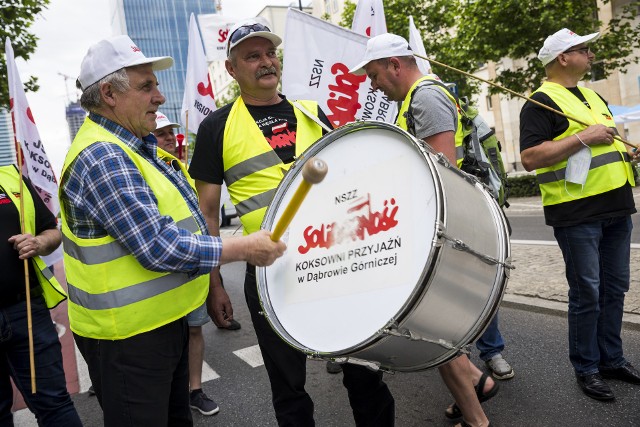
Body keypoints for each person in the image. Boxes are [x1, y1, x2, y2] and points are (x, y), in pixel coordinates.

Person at [60, 35, 285, 426]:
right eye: (147, 86)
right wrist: (244, 247)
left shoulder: (132, 147)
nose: (159, 97)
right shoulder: (103, 155)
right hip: (129, 341)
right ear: (110, 94)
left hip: (158, 329)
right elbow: (159, 246)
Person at [189, 20, 395, 426]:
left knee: (366, 374)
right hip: (272, 274)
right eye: (253, 56)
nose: (267, 62)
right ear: (232, 69)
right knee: (289, 390)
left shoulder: (313, 113)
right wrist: (213, 285)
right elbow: (207, 215)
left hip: (336, 263)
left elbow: (347, 184)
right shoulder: (216, 128)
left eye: (270, 53)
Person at [350, 33, 500, 427]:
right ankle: (474, 386)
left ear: (394, 65)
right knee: (433, 326)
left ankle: (476, 414)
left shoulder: (426, 97)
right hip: (438, 224)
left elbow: (442, 172)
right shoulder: (416, 98)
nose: (372, 84)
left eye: (373, 74)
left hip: (444, 226)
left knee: (431, 327)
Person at [519, 28, 640, 401]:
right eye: (583, 50)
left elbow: (603, 149)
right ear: (563, 58)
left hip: (616, 206)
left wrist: (627, 153)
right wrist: (585, 137)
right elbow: (530, 158)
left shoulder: (592, 96)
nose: (590, 55)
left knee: (615, 288)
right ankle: (586, 368)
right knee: (587, 293)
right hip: (577, 213)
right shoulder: (538, 102)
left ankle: (612, 359)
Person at [1, 164, 82, 426]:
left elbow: (52, 231)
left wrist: (38, 242)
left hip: (25, 311)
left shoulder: (11, 177)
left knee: (55, 404)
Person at [153, 112, 221, 416]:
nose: (169, 137)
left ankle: (195, 390)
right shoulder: (137, 167)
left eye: (170, 132)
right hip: (161, 273)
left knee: (195, 330)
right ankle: (168, 397)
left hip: (192, 267)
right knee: (163, 342)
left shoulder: (176, 167)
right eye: (161, 133)